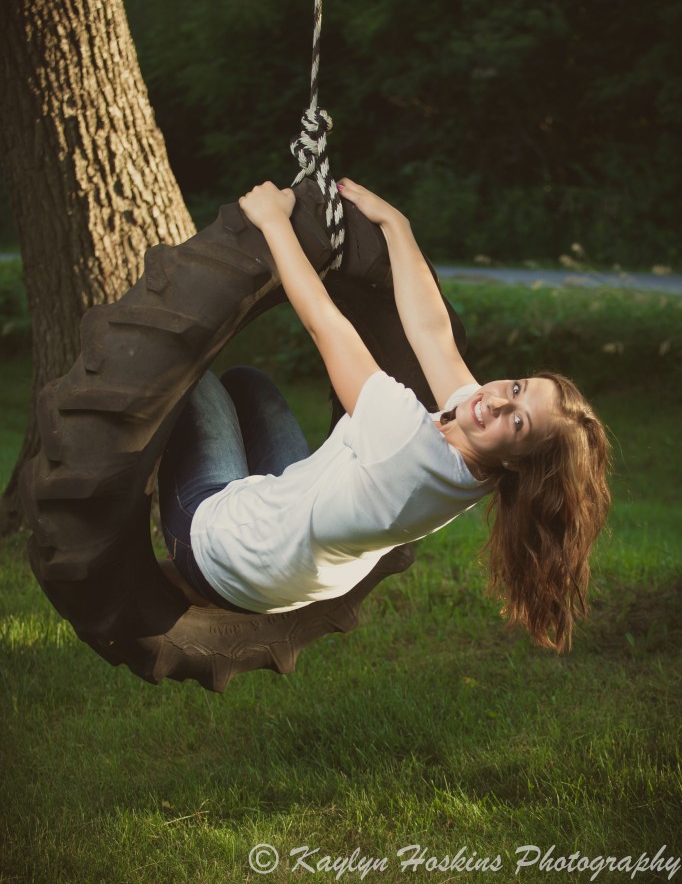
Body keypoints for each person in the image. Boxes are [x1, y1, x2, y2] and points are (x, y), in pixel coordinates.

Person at [158, 179, 611, 653]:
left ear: (519, 461)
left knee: (193, 378)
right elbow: (433, 333)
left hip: (224, 551)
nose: (497, 402)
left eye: (518, 422)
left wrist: (273, 221)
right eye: (517, 389)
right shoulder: (484, 454)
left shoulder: (405, 442)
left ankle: (181, 550)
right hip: (297, 576)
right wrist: (397, 225)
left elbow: (323, 320)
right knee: (251, 386)